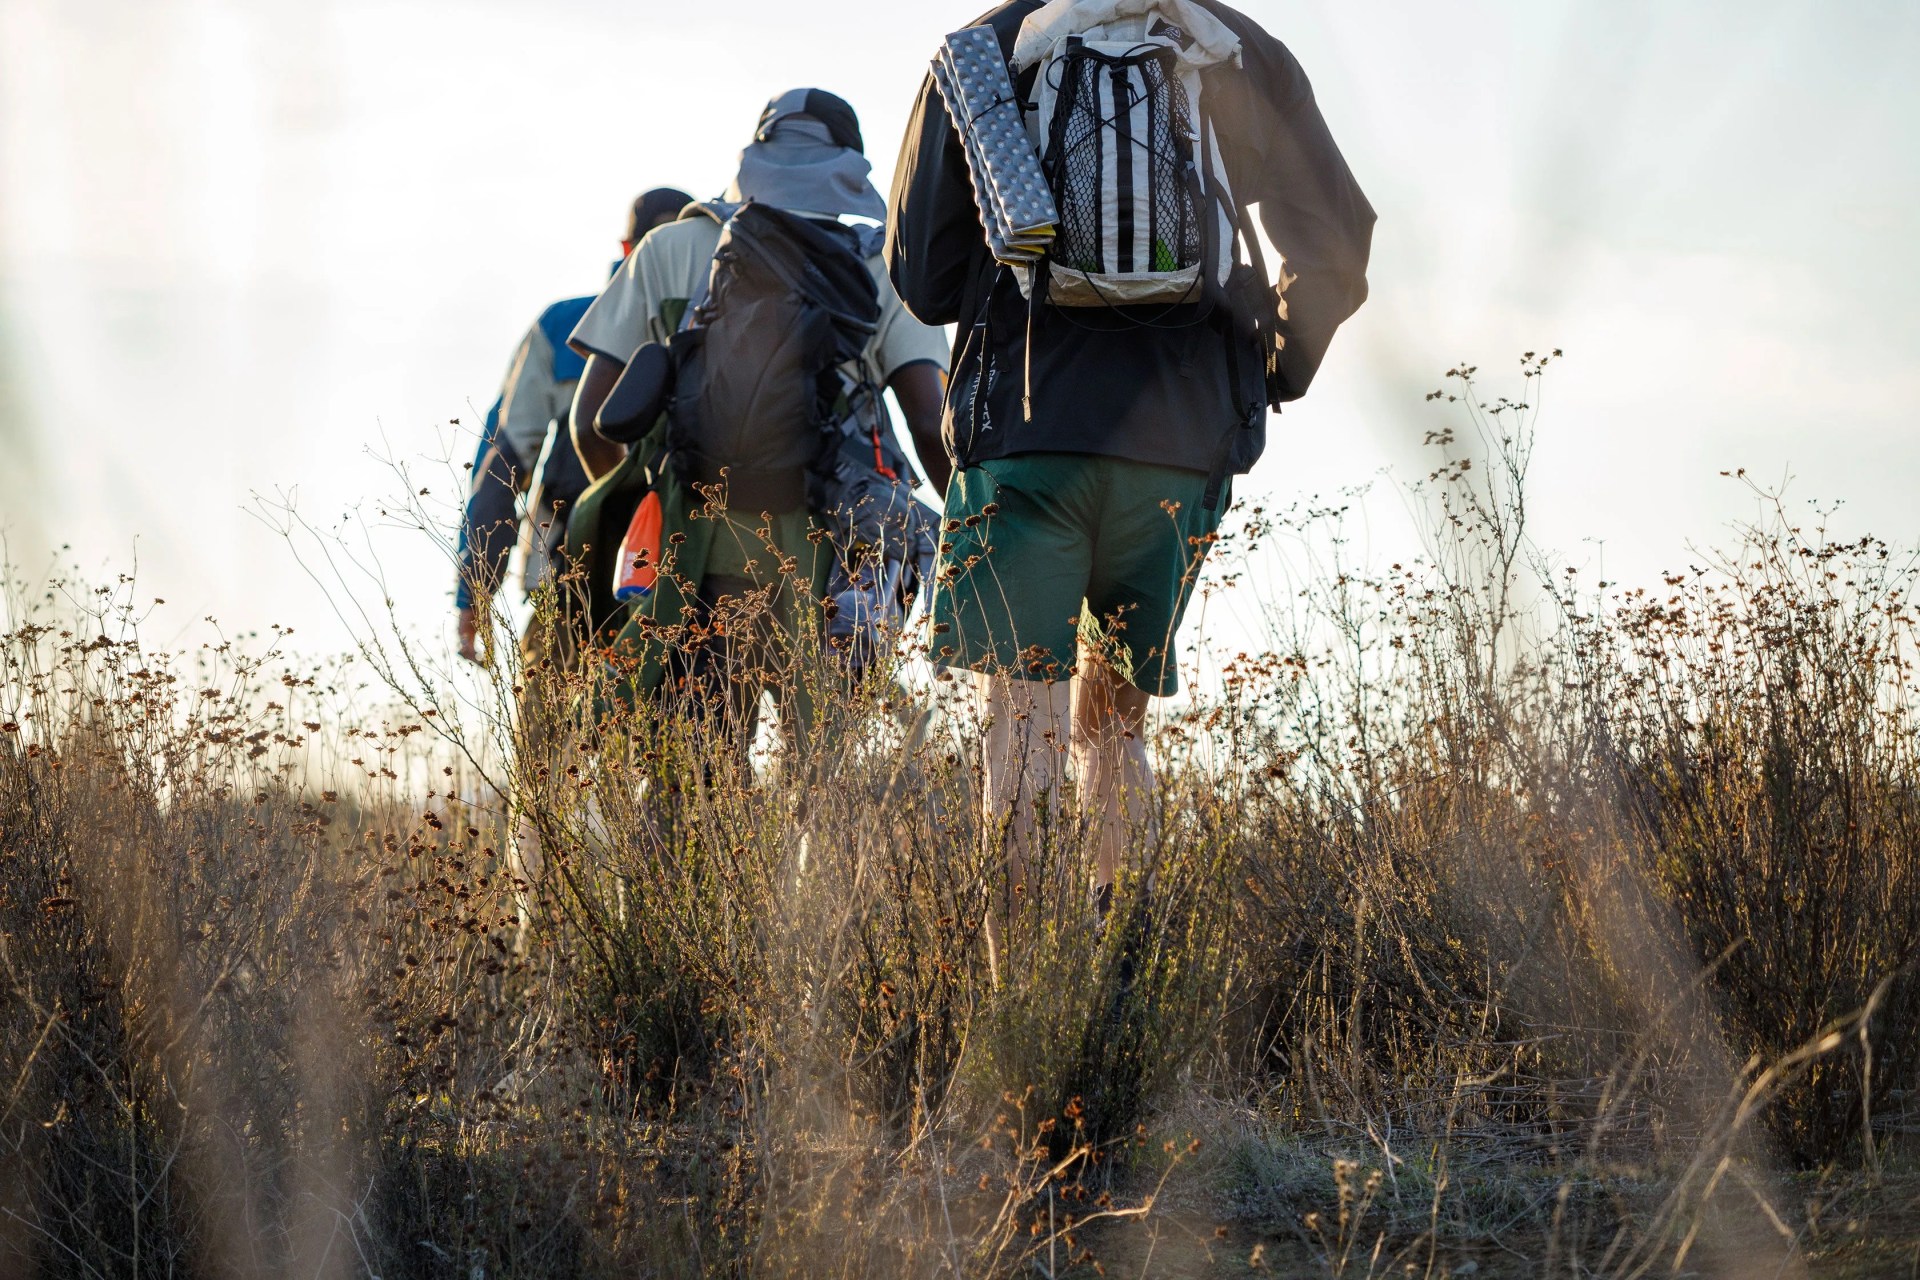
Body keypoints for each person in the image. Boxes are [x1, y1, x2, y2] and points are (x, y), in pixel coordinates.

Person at [887, 0, 1374, 967]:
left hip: (1026, 436)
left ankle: (1020, 1006)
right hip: (1179, 445)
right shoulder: (1236, 48)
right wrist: (1271, 367)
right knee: (1113, 728)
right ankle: (1118, 985)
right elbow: (1339, 247)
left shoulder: (984, 51)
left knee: (1018, 723)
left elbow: (926, 278)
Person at [567, 89, 952, 760]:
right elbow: (928, 420)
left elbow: (592, 426)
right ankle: (810, 867)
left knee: (693, 771)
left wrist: (655, 508)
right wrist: (979, 537)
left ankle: (681, 862)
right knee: (820, 772)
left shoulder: (670, 248)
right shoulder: (887, 266)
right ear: (851, 166)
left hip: (691, 546)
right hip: (831, 553)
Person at [455, 187, 693, 663]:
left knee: (557, 731)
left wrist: (474, 592)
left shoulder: (564, 325)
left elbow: (505, 463)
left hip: (570, 573)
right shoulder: (722, 330)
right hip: (694, 585)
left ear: (627, 249)